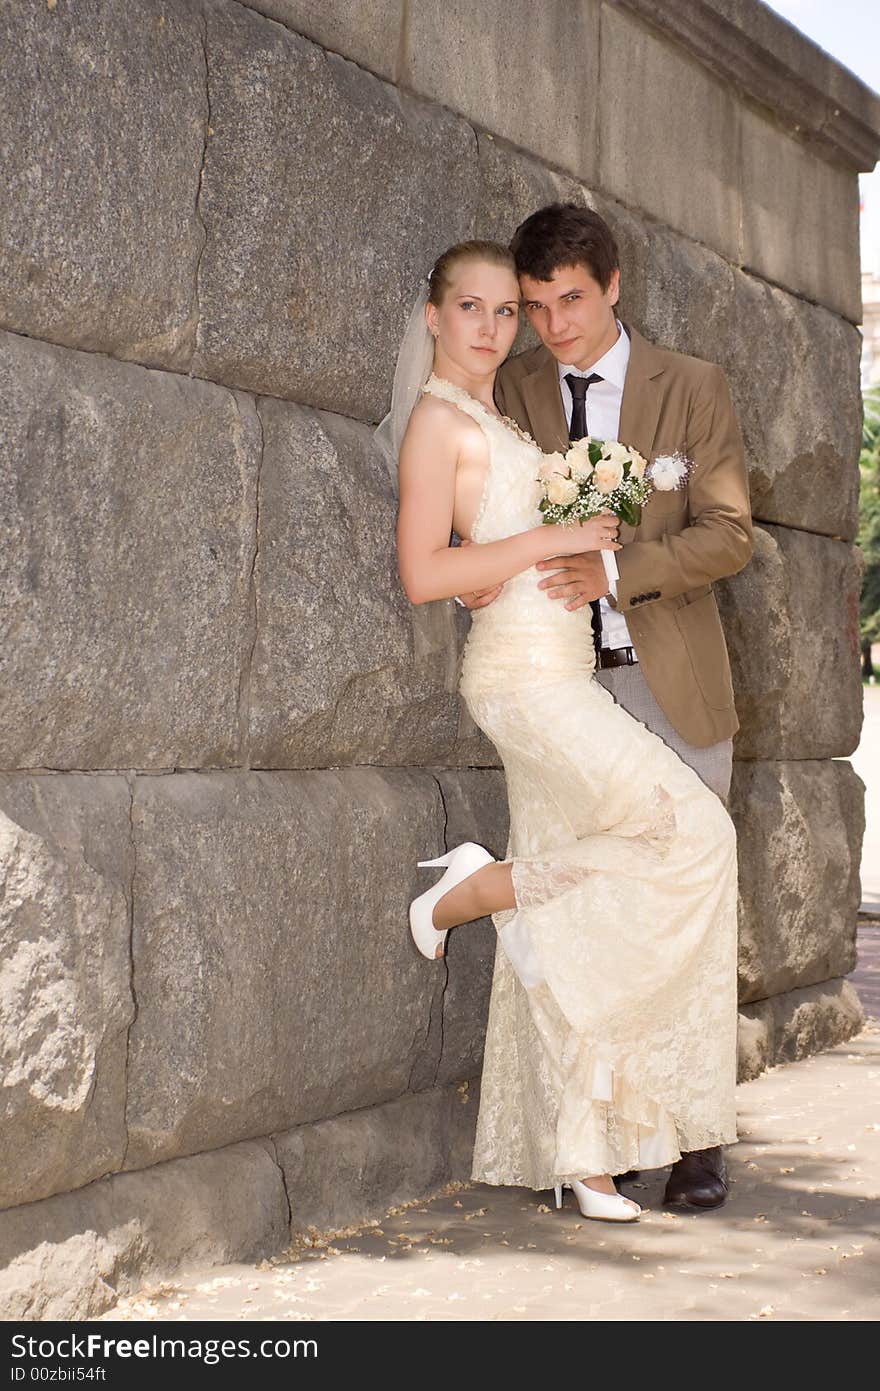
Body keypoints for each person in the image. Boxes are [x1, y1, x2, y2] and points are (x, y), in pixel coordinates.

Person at [380, 238, 741, 1224]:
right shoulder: (436, 424)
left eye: (511, 310)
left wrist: (561, 545)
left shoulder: (495, 412)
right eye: (478, 308)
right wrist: (546, 540)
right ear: (432, 317)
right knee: (688, 834)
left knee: (570, 912)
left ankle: (583, 1155)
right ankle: (471, 889)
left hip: (562, 663)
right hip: (530, 683)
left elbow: (478, 552)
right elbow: (423, 574)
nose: (500, 328)